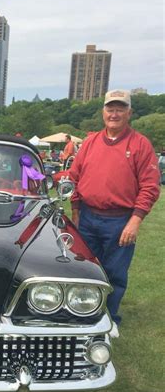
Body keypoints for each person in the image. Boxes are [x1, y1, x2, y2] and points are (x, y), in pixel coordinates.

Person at [69, 89, 160, 337]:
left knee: (115, 273)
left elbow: (150, 187)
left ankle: (109, 318)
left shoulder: (140, 144)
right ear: (103, 112)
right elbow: (73, 178)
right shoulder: (90, 142)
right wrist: (76, 211)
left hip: (120, 220)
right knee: (85, 269)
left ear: (129, 113)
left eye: (120, 109)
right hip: (88, 217)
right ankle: (82, 313)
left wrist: (135, 220)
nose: (114, 113)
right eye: (111, 108)